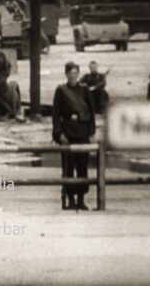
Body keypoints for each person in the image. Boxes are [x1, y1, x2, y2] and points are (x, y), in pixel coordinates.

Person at [52, 62, 96, 211]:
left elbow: (91, 112)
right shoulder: (61, 91)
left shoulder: (84, 90)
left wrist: (91, 132)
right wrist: (59, 133)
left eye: (75, 73)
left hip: (82, 132)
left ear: (78, 74)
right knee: (68, 168)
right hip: (68, 133)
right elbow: (56, 115)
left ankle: (81, 200)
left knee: (83, 167)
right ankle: (70, 199)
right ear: (66, 74)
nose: (72, 76)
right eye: (70, 73)